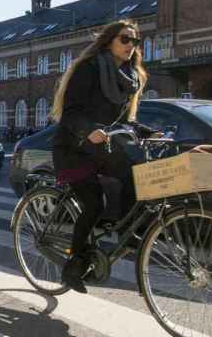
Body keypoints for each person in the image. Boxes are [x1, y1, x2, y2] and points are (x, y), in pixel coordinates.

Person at [50, 19, 158, 293]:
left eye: (135, 41)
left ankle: (128, 235)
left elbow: (123, 120)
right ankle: (73, 266)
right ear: (108, 40)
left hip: (101, 147)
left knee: (135, 176)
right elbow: (71, 112)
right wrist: (89, 131)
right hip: (73, 147)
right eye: (125, 39)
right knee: (93, 204)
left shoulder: (128, 77)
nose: (131, 46)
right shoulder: (89, 68)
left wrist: (148, 132)